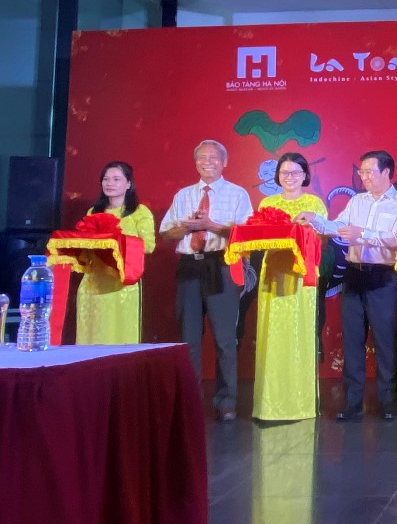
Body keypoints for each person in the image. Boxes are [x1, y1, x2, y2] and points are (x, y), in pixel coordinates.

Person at [298, 150, 397, 421]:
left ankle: (387, 402)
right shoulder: (357, 201)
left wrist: (363, 234)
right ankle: (352, 402)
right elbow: (338, 226)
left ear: (386, 172)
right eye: (362, 172)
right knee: (352, 341)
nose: (364, 177)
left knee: (384, 340)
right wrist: (316, 220)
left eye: (369, 172)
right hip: (354, 274)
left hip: (383, 275)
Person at [160, 139, 253, 421]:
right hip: (189, 266)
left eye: (213, 158)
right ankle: (190, 400)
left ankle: (226, 402)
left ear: (224, 163)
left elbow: (245, 234)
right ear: (195, 162)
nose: (207, 162)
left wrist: (209, 225)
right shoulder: (184, 195)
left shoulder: (237, 194)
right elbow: (166, 233)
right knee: (188, 338)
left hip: (221, 265)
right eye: (202, 157)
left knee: (225, 339)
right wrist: (186, 227)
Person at [252, 153, 327, 421]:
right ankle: (269, 404)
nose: (290, 177)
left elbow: (322, 239)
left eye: (296, 172)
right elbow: (258, 239)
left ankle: (300, 403)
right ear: (277, 176)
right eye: (285, 172)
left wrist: (307, 229)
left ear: (305, 175)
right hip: (273, 273)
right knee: (272, 335)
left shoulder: (314, 203)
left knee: (300, 333)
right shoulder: (268, 203)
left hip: (302, 276)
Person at [76, 161, 156, 344]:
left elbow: (148, 245)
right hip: (93, 282)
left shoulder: (139, 212)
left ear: (128, 184)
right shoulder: (93, 212)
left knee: (119, 336)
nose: (109, 183)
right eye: (106, 179)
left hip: (122, 284)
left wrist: (116, 243)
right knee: (91, 336)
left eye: (116, 179)